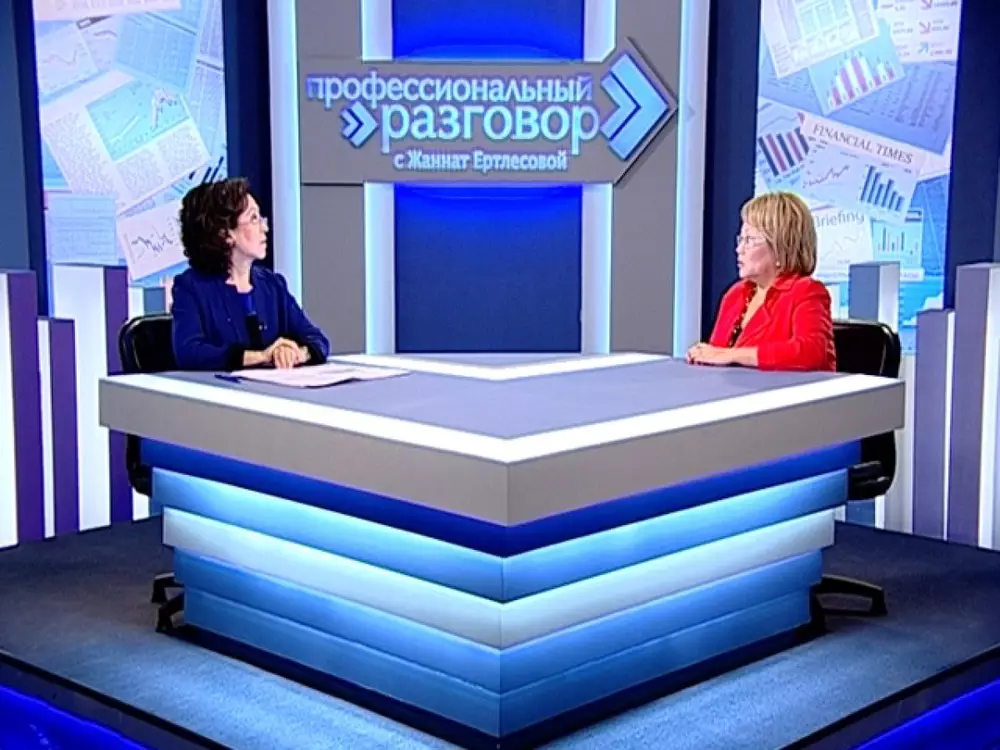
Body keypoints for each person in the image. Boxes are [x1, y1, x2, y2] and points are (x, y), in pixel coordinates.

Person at [171, 177, 330, 371]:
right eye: (254, 219)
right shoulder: (191, 287)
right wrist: (261, 357)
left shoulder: (273, 285)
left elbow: (318, 340)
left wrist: (296, 353)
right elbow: (189, 352)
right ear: (225, 234)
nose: (265, 228)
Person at [687, 191, 836, 371]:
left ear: (781, 246)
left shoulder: (806, 292)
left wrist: (733, 355)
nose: (739, 249)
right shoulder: (736, 294)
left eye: (749, 240)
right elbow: (716, 356)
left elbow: (812, 352)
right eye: (741, 239)